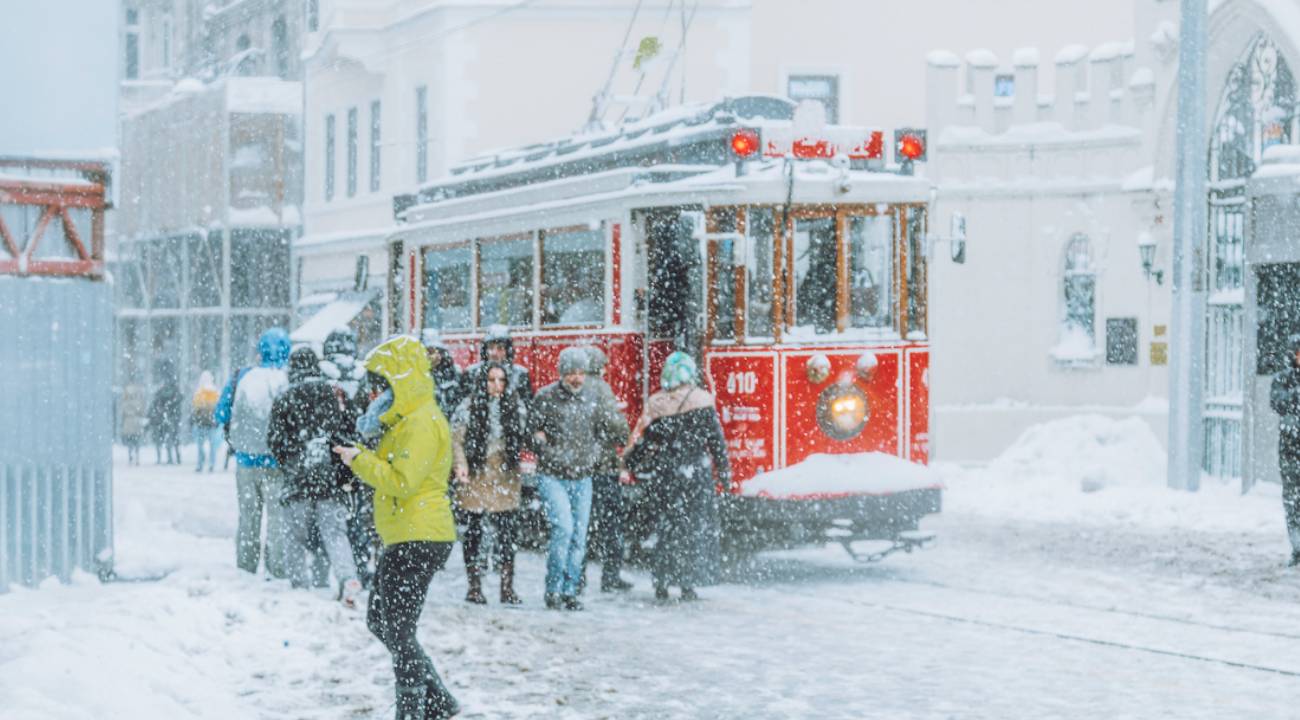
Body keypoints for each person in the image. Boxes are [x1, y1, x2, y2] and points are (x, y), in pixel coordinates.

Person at [333, 335, 459, 720]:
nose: (377, 391)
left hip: (419, 536)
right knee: (381, 620)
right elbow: (391, 471)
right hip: (405, 535)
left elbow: (402, 480)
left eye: (382, 382)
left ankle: (414, 710)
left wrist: (359, 461)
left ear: (401, 380)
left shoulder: (422, 422)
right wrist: (358, 464)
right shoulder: (406, 418)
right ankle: (437, 700)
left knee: (398, 629)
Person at [624, 351, 730, 602]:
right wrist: (724, 474)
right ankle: (687, 583)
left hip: (666, 474)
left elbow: (647, 441)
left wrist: (629, 464)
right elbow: (716, 441)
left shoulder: (659, 404)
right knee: (692, 530)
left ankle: (661, 581)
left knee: (666, 530)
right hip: (695, 474)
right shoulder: (702, 402)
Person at [529, 347, 624, 611]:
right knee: (564, 530)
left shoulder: (593, 398)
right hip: (553, 475)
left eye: (580, 372)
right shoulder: (546, 397)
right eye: (571, 372)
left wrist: (595, 452)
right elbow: (531, 431)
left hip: (582, 475)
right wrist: (546, 448)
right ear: (562, 373)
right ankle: (554, 588)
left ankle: (570, 591)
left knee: (579, 536)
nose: (577, 378)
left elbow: (609, 432)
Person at [269, 347, 363, 606]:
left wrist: (290, 462)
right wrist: (341, 470)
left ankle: (300, 585)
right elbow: (348, 432)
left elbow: (275, 441)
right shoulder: (333, 394)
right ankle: (347, 577)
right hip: (329, 478)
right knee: (334, 533)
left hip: (297, 479)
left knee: (295, 535)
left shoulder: (284, 398)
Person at [216, 328, 292, 578]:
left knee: (248, 516)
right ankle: (278, 567)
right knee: (277, 519)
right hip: (278, 464)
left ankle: (246, 566)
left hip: (246, 461)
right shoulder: (288, 379)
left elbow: (221, 413)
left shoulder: (241, 377)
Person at [451, 362, 529, 605]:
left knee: (507, 533)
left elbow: (524, 435)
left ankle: (507, 587)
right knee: (473, 532)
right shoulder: (468, 407)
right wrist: (461, 465)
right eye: (491, 380)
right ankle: (474, 586)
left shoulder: (515, 407)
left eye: (501, 380)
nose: (497, 386)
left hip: (504, 474)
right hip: (477, 473)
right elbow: (456, 440)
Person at [322, 327, 379, 588]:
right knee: (359, 517)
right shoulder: (362, 373)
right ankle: (360, 564)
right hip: (360, 450)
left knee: (333, 517)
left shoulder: (325, 372)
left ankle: (332, 567)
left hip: (332, 453)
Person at [581, 346, 633, 593]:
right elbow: (617, 427)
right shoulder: (601, 388)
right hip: (603, 467)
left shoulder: (575, 387)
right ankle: (610, 577)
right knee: (611, 525)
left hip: (580, 468)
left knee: (582, 525)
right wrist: (622, 435)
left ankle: (577, 576)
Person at [1270, 335, 1300, 567]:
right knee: (1292, 500)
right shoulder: (1282, 379)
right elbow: (1278, 402)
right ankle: (1297, 546)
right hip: (1291, 450)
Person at [465, 325, 532, 406]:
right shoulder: (472, 373)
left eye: (500, 348)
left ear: (508, 351)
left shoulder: (520, 375)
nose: (494, 353)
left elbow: (526, 409)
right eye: (490, 348)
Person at [421, 330, 465, 415]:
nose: (435, 356)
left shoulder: (452, 374)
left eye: (438, 351)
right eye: (430, 352)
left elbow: (459, 403)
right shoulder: (417, 375)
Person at [147, 373, 183, 465]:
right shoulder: (175, 391)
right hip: (173, 418)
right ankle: (176, 457)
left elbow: (155, 404)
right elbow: (180, 399)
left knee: (164, 438)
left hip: (164, 418)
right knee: (173, 438)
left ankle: (165, 458)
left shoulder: (161, 392)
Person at [191, 371, 222, 472]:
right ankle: (211, 464)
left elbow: (195, 410)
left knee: (200, 446)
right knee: (212, 446)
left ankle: (200, 464)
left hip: (201, 424)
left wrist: (195, 420)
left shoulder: (199, 393)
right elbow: (218, 408)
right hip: (212, 424)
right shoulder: (215, 393)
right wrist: (217, 420)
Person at [119, 380, 148, 466]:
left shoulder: (125, 402)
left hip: (128, 423)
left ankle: (130, 455)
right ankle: (137, 456)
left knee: (130, 441)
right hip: (136, 423)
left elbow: (122, 413)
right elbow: (142, 412)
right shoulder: (138, 402)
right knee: (136, 440)